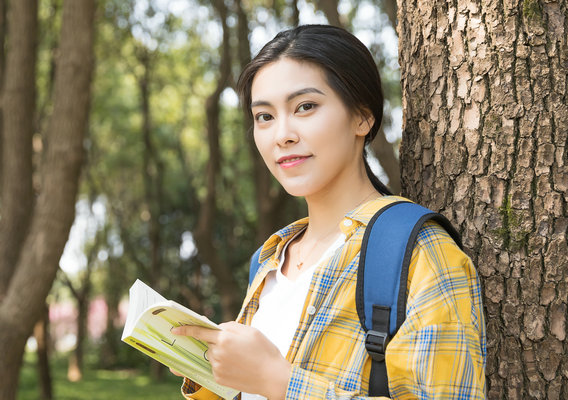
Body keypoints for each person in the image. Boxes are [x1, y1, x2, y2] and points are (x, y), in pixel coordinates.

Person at [172, 24, 486, 399]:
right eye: (264, 116)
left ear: (363, 117)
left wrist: (280, 382)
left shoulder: (419, 253)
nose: (281, 135)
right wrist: (214, 372)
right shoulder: (271, 259)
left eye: (305, 107)